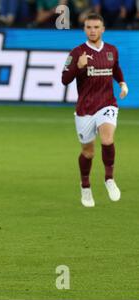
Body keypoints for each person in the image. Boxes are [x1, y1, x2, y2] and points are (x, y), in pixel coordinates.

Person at [61, 13, 129, 207]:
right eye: (89, 27)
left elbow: (115, 68)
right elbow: (64, 80)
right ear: (84, 29)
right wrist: (78, 67)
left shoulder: (111, 50)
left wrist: (122, 83)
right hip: (85, 108)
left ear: (103, 29)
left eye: (96, 27)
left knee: (107, 139)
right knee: (88, 152)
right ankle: (85, 186)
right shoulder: (76, 52)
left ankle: (109, 179)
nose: (93, 31)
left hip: (107, 103)